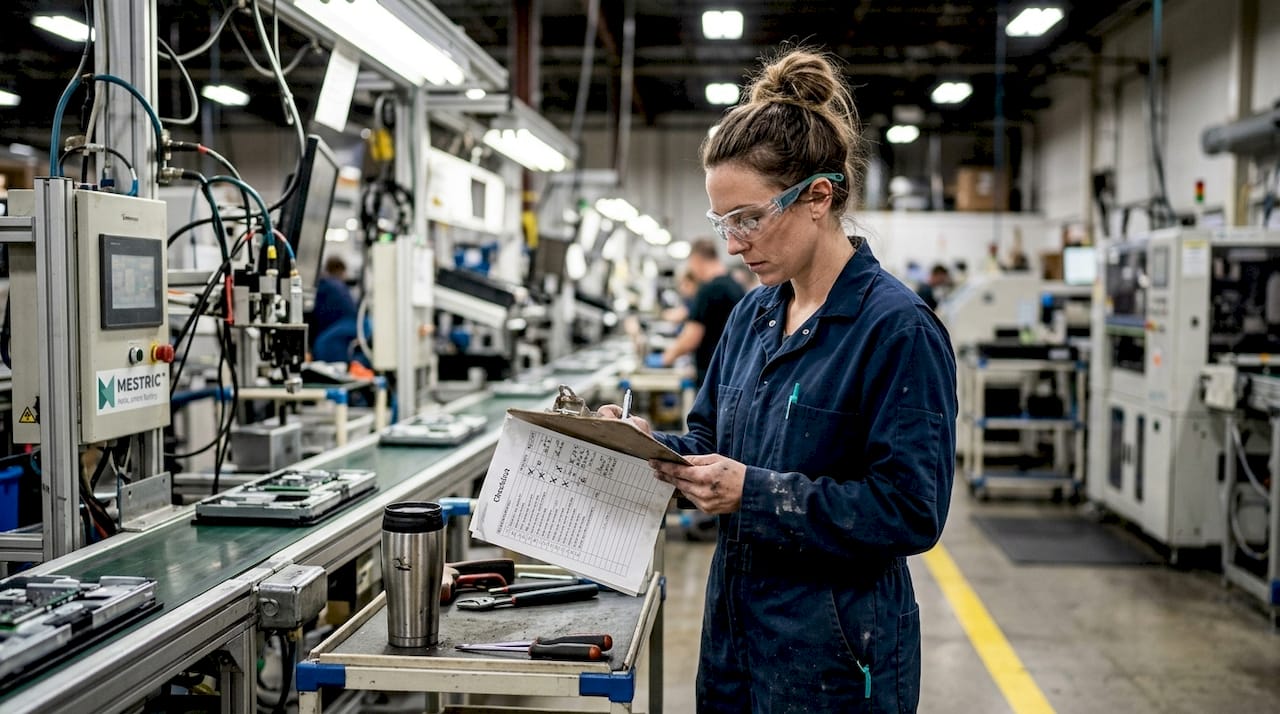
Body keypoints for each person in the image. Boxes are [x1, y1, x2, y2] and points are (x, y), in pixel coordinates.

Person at [599, 48, 956, 713]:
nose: (733, 243)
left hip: (836, 657)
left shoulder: (896, 329)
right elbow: (711, 438)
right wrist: (646, 444)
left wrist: (755, 495)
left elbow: (912, 510)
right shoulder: (752, 315)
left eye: (748, 218)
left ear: (818, 197)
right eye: (721, 223)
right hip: (736, 638)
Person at [652, 238, 746, 388]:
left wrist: (665, 358)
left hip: (712, 374)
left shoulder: (708, 289)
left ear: (696, 260)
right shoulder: (735, 285)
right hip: (732, 371)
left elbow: (691, 337)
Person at [309, 256, 360, 363]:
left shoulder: (325, 286)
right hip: (353, 328)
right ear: (342, 272)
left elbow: (314, 319)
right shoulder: (339, 286)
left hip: (339, 331)